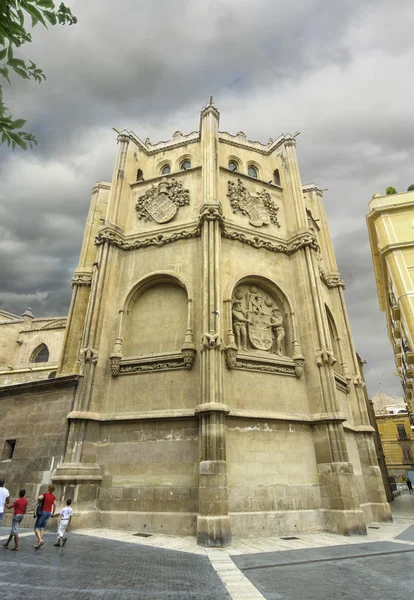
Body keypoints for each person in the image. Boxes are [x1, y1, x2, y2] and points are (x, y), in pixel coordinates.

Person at [34, 483, 56, 549]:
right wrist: (53, 513)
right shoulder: (53, 497)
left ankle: (40, 540)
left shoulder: (45, 494)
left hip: (43, 512)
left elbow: (39, 497)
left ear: (48, 488)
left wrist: (39, 500)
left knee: (36, 528)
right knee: (42, 528)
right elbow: (55, 504)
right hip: (49, 513)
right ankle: (38, 542)